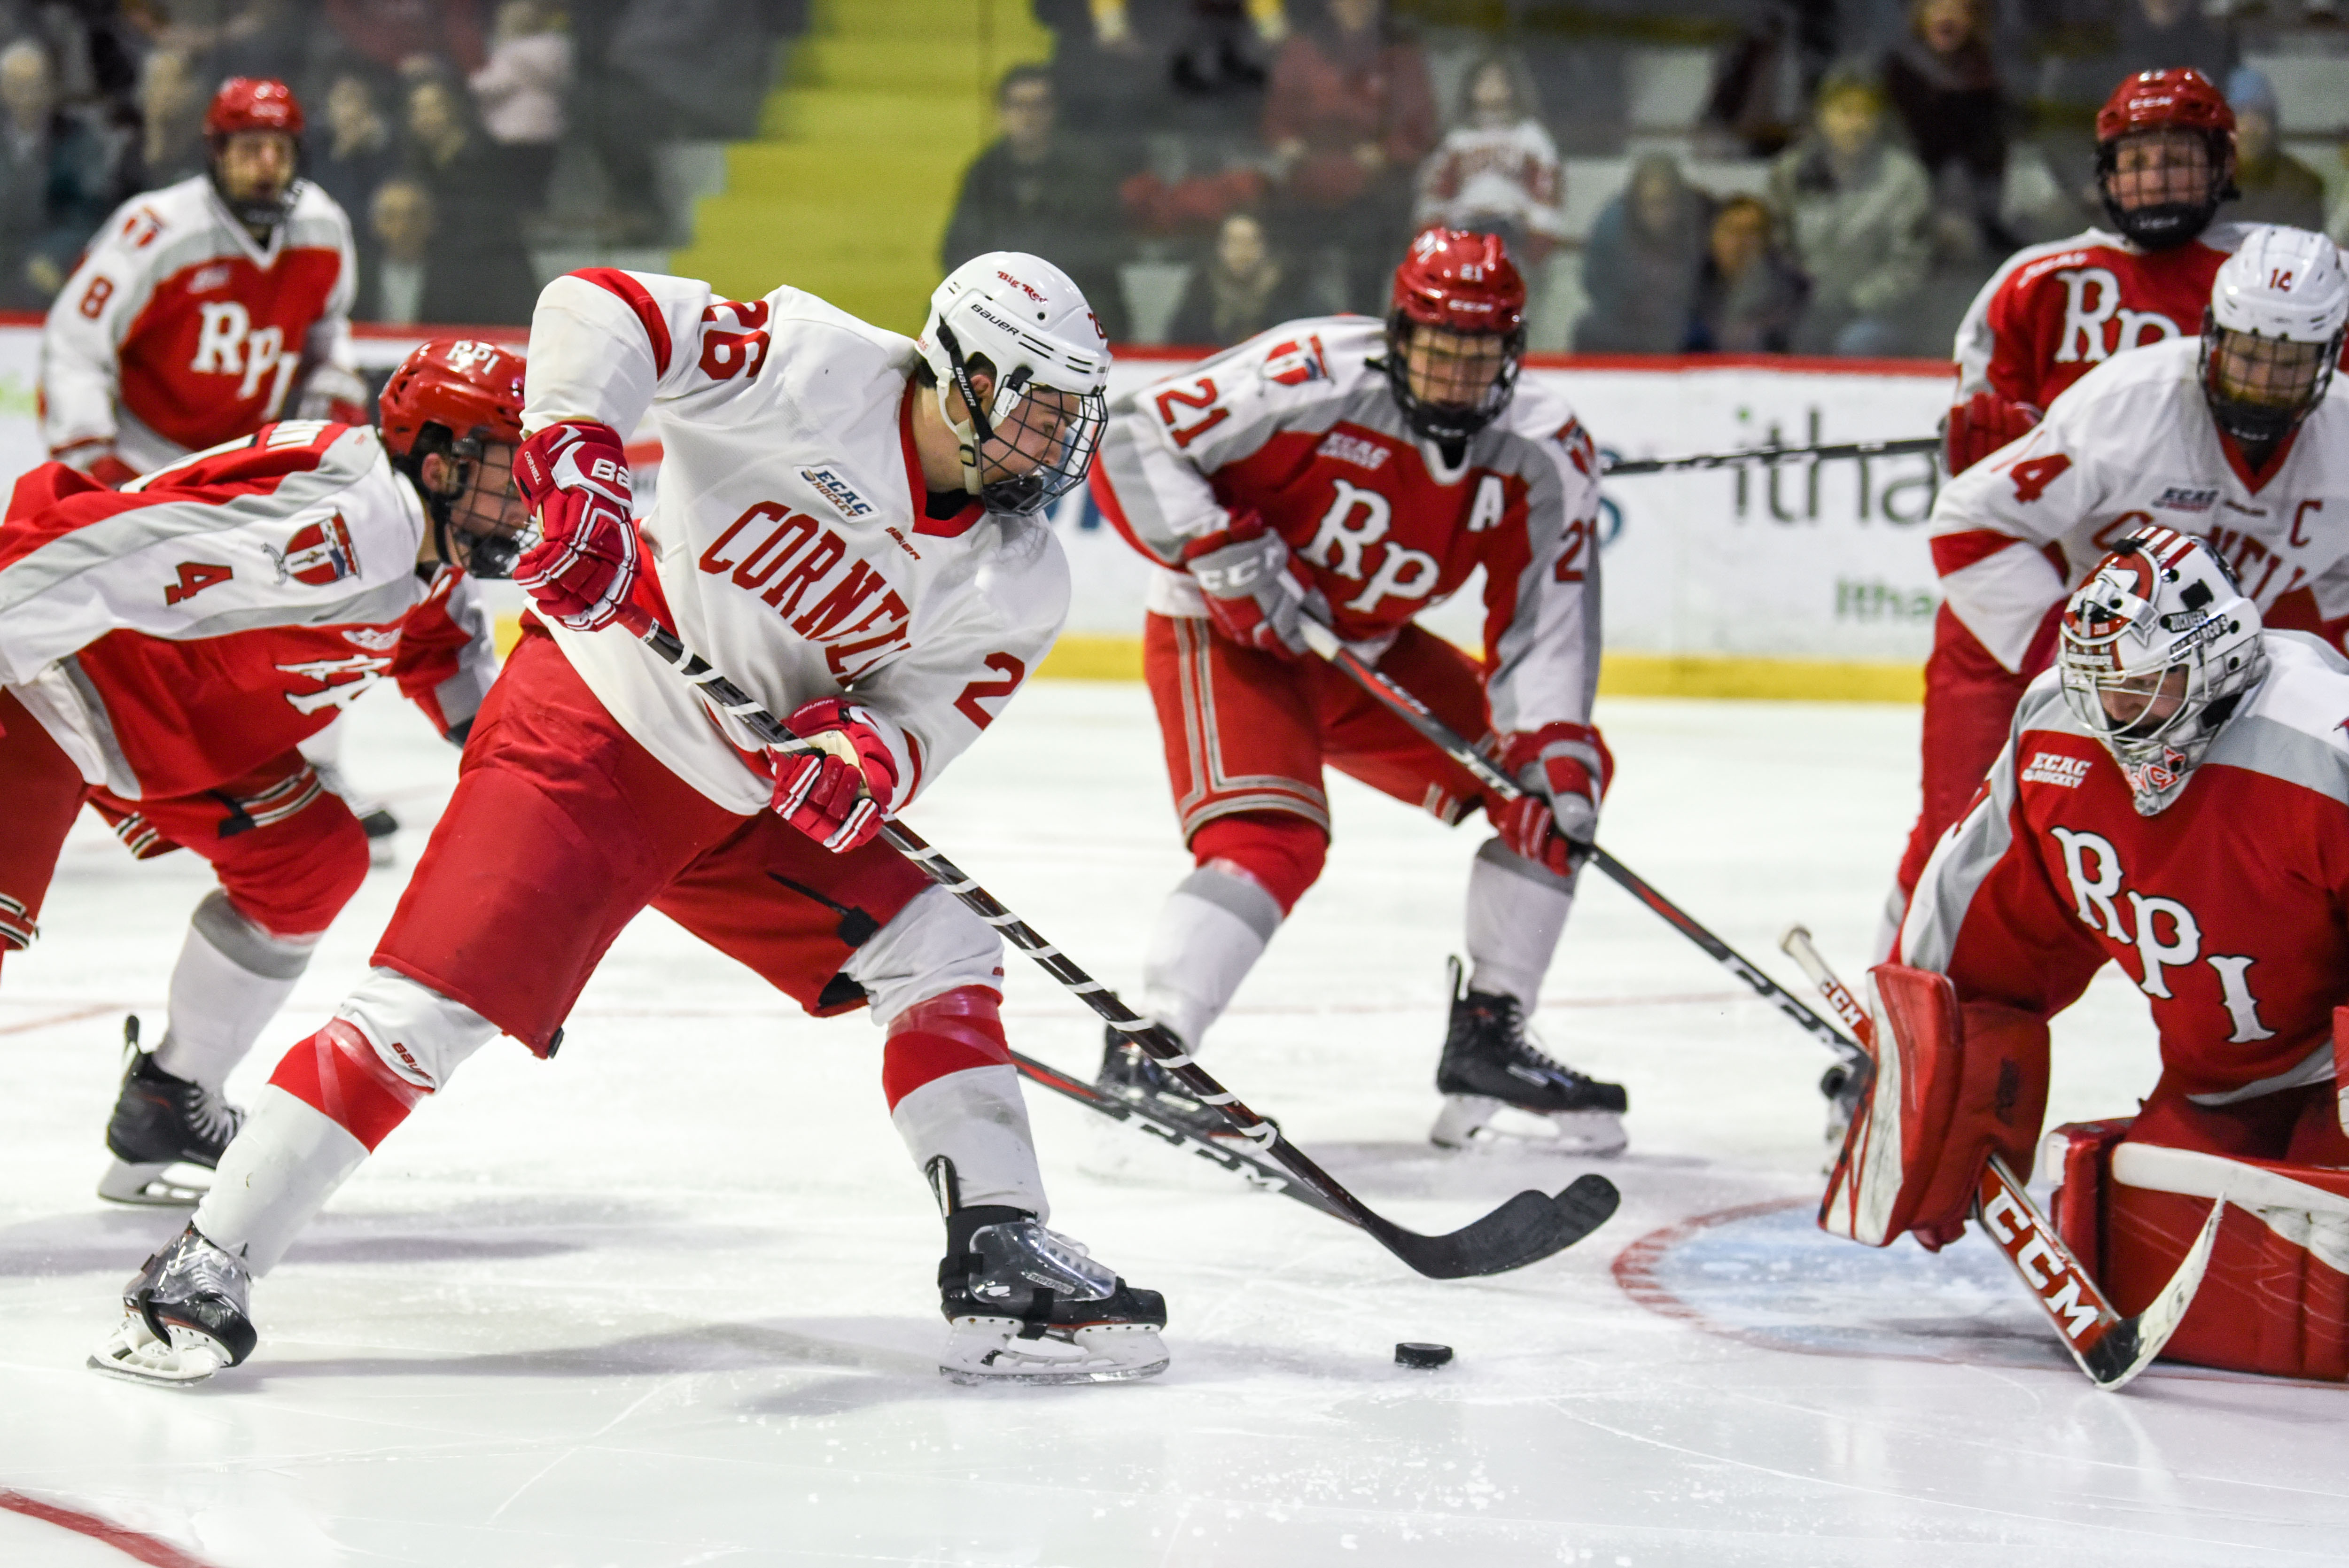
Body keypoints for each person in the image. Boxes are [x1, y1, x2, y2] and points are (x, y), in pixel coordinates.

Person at [93, 253, 1174, 1389]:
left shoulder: (1023, 577)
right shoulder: (814, 364)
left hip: (744, 787)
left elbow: (925, 716)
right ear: (966, 373)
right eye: (1041, 410)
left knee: (941, 943)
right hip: (593, 722)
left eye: (1071, 417)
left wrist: (864, 762)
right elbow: (597, 303)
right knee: (430, 1010)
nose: (1059, 446)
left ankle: (997, 1254)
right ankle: (203, 1267)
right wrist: (581, 467)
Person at [1089, 229, 1629, 1156]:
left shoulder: (1544, 448)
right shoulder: (1308, 373)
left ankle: (1489, 1034)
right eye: (1440, 349)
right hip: (1227, 633)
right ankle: (1153, 1046)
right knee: (1271, 836)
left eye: (1481, 354)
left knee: (1548, 784)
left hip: (1361, 650)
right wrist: (1219, 552)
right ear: (1398, 334)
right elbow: (1135, 437)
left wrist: (1550, 750)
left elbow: (1546, 621)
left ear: (1515, 353)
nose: (1458, 374)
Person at [1823, 527, 2349, 1381]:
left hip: (2334, 1064)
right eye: (2106, 690)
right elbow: (1979, 935)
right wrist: (1930, 1080)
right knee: (2143, 1226)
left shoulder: (2322, 742)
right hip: (2214, 1076)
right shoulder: (2057, 733)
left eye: (2146, 686)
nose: (2119, 718)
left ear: (2216, 662)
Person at [0, 339, 511, 1207]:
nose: (529, 498)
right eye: (510, 470)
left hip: (156, 716)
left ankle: (170, 1099)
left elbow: (442, 650)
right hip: (47, 679)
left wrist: (529, 780)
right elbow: (100, 546)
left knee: (309, 857)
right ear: (442, 464)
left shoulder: (420, 539)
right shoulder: (343, 527)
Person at [1891, 68, 2253, 941]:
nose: (2159, 178)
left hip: (2211, 630)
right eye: (2140, 159)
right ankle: (1897, 1039)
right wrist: (1985, 435)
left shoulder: (2271, 282)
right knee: (1959, 832)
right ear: (2105, 171)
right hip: (2032, 612)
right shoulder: (2037, 283)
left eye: (2178, 158)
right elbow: (1985, 479)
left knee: (2267, 848)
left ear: (2222, 165)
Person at [40, 78, 368, 488]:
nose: (268, 163)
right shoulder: (155, 231)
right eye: (251, 149)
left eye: (281, 150)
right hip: (140, 460)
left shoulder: (323, 227)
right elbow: (76, 345)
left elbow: (328, 325)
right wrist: (92, 456)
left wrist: (336, 384)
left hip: (241, 465)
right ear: (217, 152)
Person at [1260, 0, 1435, 314]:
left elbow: (1419, 124)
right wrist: (1286, 142)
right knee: (1289, 259)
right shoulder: (1303, 49)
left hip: (1374, 189)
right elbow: (1277, 116)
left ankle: (1364, 330)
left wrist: (1386, 152)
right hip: (1309, 183)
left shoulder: (1399, 51)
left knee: (1369, 253)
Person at [939, 65, 1129, 344]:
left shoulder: (1087, 171)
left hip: (1074, 308)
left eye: (1038, 105)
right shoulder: (984, 172)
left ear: (1054, 110)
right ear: (1002, 112)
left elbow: (1100, 252)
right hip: (1001, 305)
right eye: (1018, 105)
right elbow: (957, 249)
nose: (1028, 116)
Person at [1768, 68, 1933, 357]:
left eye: (1867, 114)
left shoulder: (1905, 178)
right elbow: (1778, 246)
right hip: (1800, 310)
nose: (1857, 124)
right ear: (1821, 116)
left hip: (1881, 316)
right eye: (1845, 112)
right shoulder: (1791, 172)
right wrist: (1807, 298)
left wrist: (1854, 303)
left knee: (1856, 344)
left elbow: (1911, 265)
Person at [399, 73, 540, 325]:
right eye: (417, 109)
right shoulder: (416, 163)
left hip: (495, 278)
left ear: (454, 109)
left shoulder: (487, 159)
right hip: (445, 278)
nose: (425, 117)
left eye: (434, 107)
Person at [1881, 0, 2008, 257]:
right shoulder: (1898, 71)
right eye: (1938, 8)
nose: (1948, 16)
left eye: (1959, 10)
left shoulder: (1985, 72)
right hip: (1911, 196)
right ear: (1921, 17)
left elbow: (1995, 147)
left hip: (1974, 201)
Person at [1413, 53, 1564, 268]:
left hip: (1512, 231)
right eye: (1484, 81)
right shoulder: (1457, 139)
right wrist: (1431, 234)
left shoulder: (1531, 136)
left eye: (1500, 81)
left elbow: (1547, 188)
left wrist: (1540, 237)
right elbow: (1435, 191)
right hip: (1462, 230)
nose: (1492, 87)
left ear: (1514, 87)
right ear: (1470, 88)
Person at [0, 39, 113, 310]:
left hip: (47, 269)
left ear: (50, 87)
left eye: (35, 85)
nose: (27, 95)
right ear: (3, 89)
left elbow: (87, 211)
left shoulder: (80, 139)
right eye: (18, 85)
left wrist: (54, 254)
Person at [1575, 154, 1711, 354]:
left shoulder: (1696, 225)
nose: (1657, 213)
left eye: (1665, 203)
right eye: (1649, 203)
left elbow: (1706, 284)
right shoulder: (1611, 224)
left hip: (1679, 321)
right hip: (1622, 320)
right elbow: (1593, 279)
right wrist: (1627, 305)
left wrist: (1672, 304)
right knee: (1589, 330)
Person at [1164, 210, 1311, 348]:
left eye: (1249, 242)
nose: (1242, 251)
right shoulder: (1202, 291)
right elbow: (1178, 344)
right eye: (1233, 242)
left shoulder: (1293, 290)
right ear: (1221, 247)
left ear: (1265, 246)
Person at [1687, 193, 1806, 353]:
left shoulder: (1791, 291)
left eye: (1752, 232)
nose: (1741, 241)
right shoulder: (1691, 286)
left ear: (1767, 241)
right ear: (1714, 236)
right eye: (1732, 230)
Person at [2223, 68, 2324, 233]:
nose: (2250, 128)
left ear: (2273, 125)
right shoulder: (2208, 183)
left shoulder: (2300, 185)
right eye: (2241, 115)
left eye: (2260, 115)